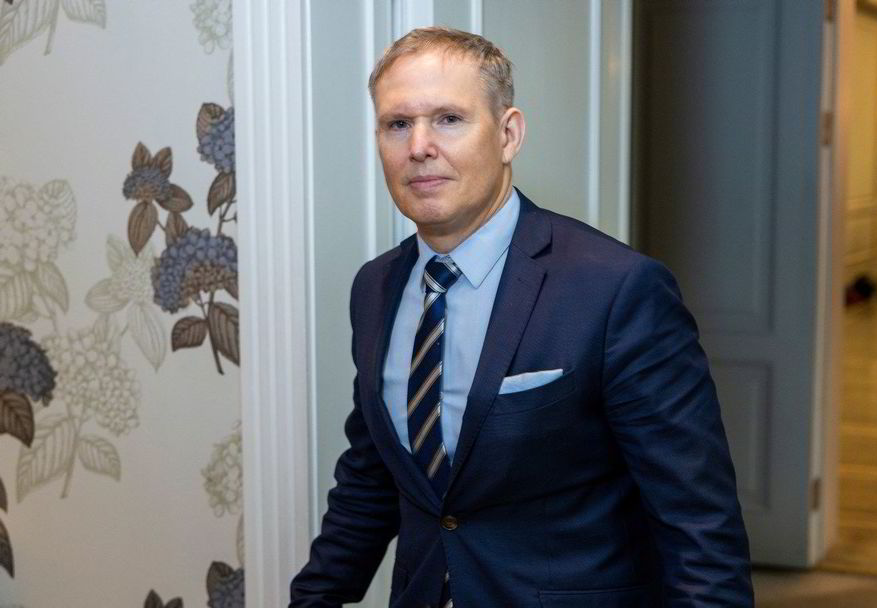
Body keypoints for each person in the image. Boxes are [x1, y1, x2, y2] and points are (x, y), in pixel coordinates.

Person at [290, 26, 753, 608]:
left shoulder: (615, 289)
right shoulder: (375, 287)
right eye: (397, 124)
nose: (419, 146)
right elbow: (371, 477)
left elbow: (698, 524)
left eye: (449, 119)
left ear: (508, 134)